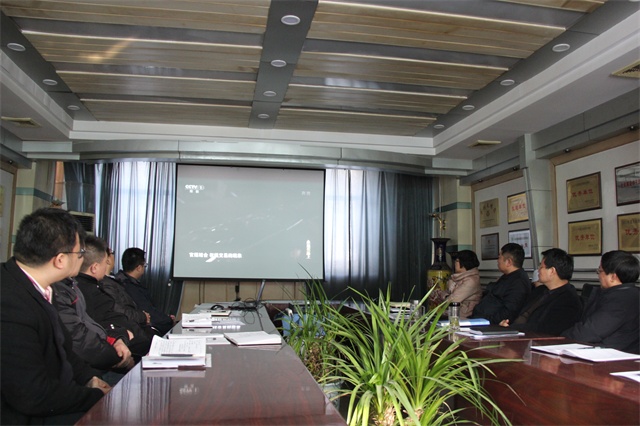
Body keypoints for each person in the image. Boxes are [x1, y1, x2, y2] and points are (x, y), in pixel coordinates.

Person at [1, 208, 110, 425]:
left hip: (55, 397)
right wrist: (96, 397)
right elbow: (31, 395)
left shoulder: (39, 287)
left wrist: (89, 378)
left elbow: (63, 349)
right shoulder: (9, 303)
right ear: (60, 260)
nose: (82, 259)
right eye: (80, 253)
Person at [74, 236, 151, 359]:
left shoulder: (90, 286)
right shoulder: (88, 291)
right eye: (105, 263)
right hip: (123, 349)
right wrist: (121, 335)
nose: (107, 267)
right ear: (94, 268)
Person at [53, 275, 135, 376]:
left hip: (100, 356)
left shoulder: (71, 285)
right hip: (91, 366)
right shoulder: (60, 292)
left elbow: (90, 325)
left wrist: (116, 339)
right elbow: (79, 340)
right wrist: (118, 358)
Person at [562, 251, 640, 354]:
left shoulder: (621, 300)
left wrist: (561, 338)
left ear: (613, 277)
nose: (599, 276)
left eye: (600, 271)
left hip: (614, 357)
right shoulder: (630, 293)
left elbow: (590, 332)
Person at [499, 248, 582, 335]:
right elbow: (519, 312)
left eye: (541, 267)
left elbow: (546, 329)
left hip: (531, 338)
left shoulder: (569, 300)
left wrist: (512, 328)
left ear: (552, 271)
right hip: (514, 332)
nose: (538, 270)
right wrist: (507, 323)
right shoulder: (540, 290)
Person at [115, 248, 175, 335]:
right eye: (145, 265)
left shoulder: (121, 281)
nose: (144, 268)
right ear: (139, 268)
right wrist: (168, 320)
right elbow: (149, 312)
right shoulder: (130, 287)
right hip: (143, 329)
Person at [101, 248, 156, 337]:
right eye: (112, 253)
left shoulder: (115, 280)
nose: (114, 255)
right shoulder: (107, 284)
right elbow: (119, 310)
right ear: (107, 260)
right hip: (129, 330)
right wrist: (142, 316)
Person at [472, 243, 531, 324]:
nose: (497, 260)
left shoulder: (519, 283)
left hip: (489, 324)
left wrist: (486, 321)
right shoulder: (508, 276)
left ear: (508, 262)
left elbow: (508, 312)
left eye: (499, 257)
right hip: (479, 319)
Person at [429, 250, 482, 318]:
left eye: (457, 261)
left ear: (464, 263)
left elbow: (452, 301)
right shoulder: (458, 278)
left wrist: (443, 296)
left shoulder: (471, 281)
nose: (454, 263)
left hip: (463, 316)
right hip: (453, 313)